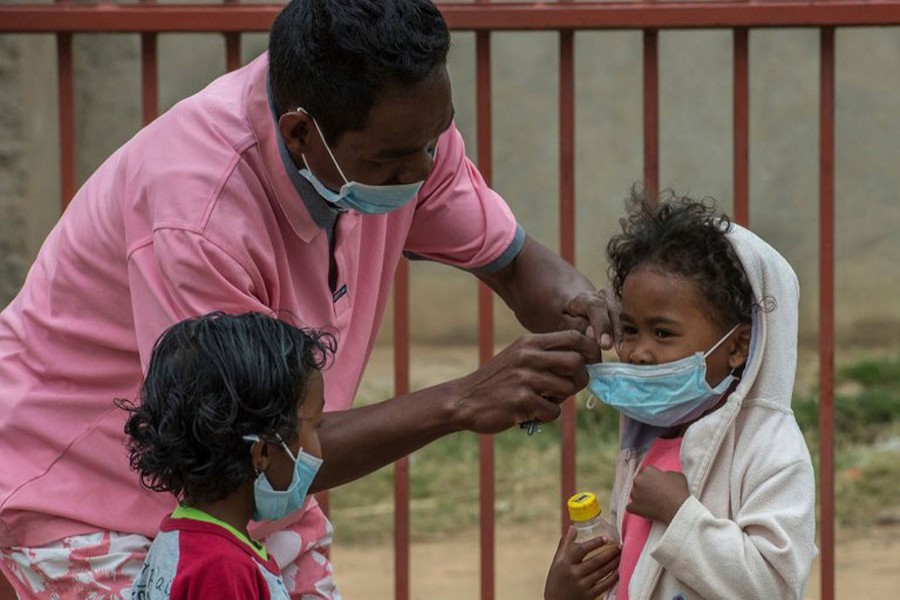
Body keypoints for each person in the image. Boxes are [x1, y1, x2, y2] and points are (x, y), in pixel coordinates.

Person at [0, 1, 617, 598]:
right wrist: (462, 399)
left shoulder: (403, 133)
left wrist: (592, 319)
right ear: (301, 133)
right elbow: (243, 448)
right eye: (396, 159)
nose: (426, 168)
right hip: (91, 500)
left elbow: (511, 264)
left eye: (436, 139)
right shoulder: (198, 213)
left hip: (259, 506)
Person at [544, 191, 817, 600]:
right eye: (630, 331)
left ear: (738, 345)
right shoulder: (647, 435)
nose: (639, 353)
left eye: (663, 333)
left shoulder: (771, 450)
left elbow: (775, 585)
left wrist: (680, 515)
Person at [121, 312, 334, 599]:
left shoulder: (183, 537)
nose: (318, 446)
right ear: (263, 453)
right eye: (315, 425)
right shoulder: (222, 568)